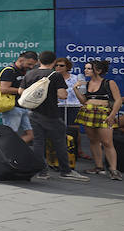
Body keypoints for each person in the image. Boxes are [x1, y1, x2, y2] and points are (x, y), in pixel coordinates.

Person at [22, 51, 89, 183]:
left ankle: (41, 171)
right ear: (53, 62)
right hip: (51, 114)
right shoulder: (55, 75)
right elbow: (63, 95)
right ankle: (66, 171)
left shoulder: (30, 74)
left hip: (33, 113)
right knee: (60, 142)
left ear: (39, 61)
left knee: (39, 143)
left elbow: (21, 92)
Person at [75, 59, 122, 180]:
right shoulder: (87, 84)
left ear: (98, 70)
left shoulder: (109, 82)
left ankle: (113, 169)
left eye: (89, 68)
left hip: (104, 113)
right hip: (88, 112)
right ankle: (98, 167)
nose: (86, 70)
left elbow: (118, 100)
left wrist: (112, 115)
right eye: (85, 68)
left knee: (107, 142)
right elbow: (84, 101)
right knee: (93, 141)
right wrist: (75, 89)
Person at [0, 51, 38, 144]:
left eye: (32, 65)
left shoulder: (23, 72)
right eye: (29, 64)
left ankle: (12, 148)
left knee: (31, 134)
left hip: (24, 107)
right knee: (10, 134)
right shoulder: (9, 71)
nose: (30, 67)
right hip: (12, 107)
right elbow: (4, 89)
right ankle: (4, 152)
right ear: (21, 60)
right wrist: (24, 91)